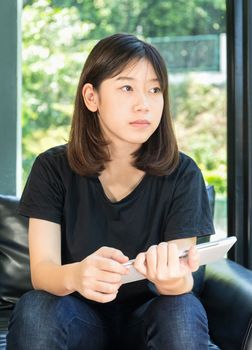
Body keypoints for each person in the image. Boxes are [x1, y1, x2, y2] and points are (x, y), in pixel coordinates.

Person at [7, 33, 218, 350]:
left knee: (181, 308)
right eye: (127, 87)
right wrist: (77, 275)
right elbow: (42, 272)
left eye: (155, 89)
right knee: (36, 307)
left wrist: (170, 278)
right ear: (91, 97)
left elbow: (183, 282)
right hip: (77, 318)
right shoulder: (52, 168)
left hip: (149, 318)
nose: (144, 103)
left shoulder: (183, 173)